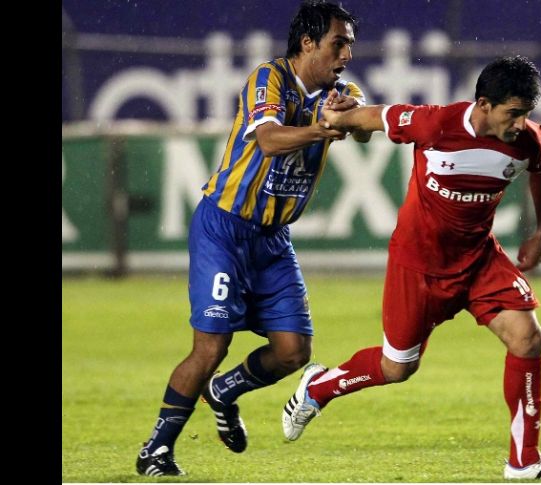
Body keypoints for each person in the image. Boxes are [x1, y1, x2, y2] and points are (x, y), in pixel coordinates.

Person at [281, 55, 541, 480]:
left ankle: (523, 461)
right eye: (513, 113)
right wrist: (339, 116)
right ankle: (319, 387)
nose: (521, 123)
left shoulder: (527, 141)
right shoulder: (435, 126)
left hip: (478, 259)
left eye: (527, 114)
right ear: (484, 104)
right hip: (418, 265)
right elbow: (372, 117)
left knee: (527, 338)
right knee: (397, 368)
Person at [135, 0, 370, 476]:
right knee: (210, 347)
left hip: (273, 239)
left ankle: (225, 391)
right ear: (309, 43)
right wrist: (323, 130)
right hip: (223, 227)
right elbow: (267, 140)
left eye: (349, 44)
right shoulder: (270, 78)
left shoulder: (340, 90)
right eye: (338, 42)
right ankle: (156, 449)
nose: (347, 53)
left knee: (293, 352)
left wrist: (352, 118)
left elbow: (359, 130)